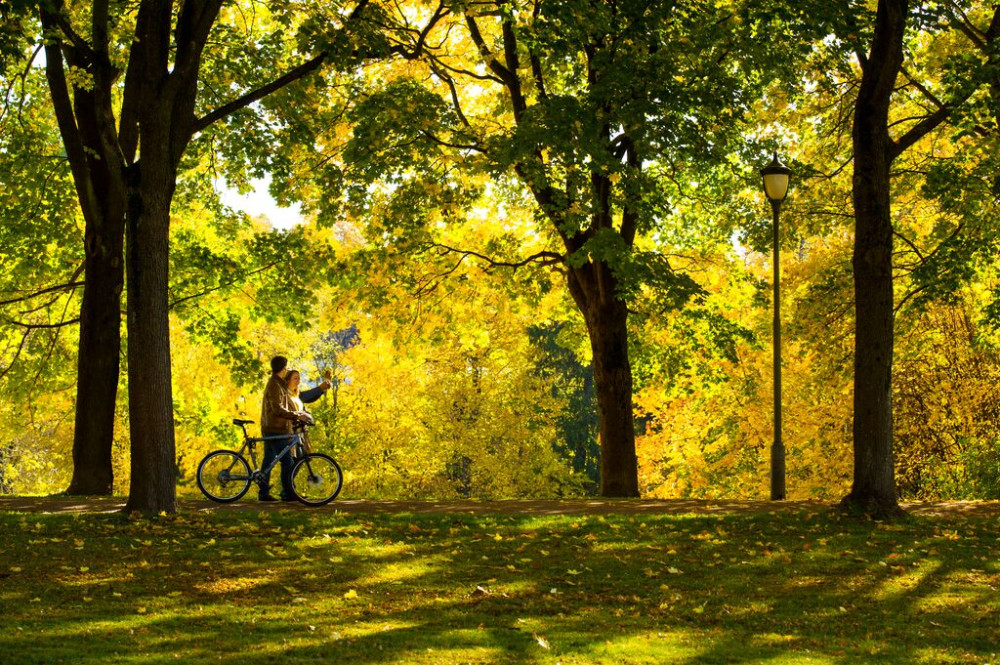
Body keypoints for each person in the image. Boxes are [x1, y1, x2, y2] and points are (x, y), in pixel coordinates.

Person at [259, 355, 308, 502]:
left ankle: (263, 493)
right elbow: (277, 409)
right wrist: (296, 416)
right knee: (288, 462)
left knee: (268, 460)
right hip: (275, 429)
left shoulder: (277, 383)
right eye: (286, 367)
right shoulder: (275, 384)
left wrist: (296, 414)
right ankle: (288, 493)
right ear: (283, 368)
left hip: (272, 427)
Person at [285, 368, 333, 457]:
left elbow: (309, 397)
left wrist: (323, 387)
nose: (298, 381)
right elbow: (307, 396)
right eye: (295, 378)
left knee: (296, 463)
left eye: (299, 378)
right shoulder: (285, 395)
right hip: (289, 433)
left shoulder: (296, 395)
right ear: (288, 380)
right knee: (291, 463)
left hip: (298, 433)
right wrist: (321, 387)